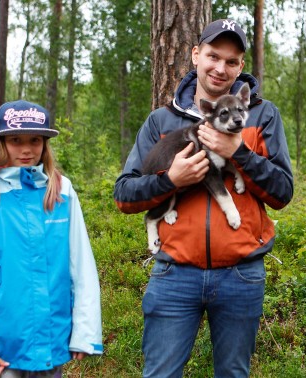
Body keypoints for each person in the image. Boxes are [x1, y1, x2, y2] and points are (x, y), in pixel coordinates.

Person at [114, 19, 293, 377]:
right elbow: (124, 195)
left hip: (241, 274)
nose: (220, 67)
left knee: (233, 373)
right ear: (196, 55)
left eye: (231, 61)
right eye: (213, 56)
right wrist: (172, 180)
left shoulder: (263, 115)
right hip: (174, 273)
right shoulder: (160, 121)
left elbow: (282, 193)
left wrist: (238, 152)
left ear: (241, 66)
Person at [0, 100, 103, 378]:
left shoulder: (61, 190)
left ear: (44, 143)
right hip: (1, 343)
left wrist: (85, 331)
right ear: (1, 142)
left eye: (35, 140)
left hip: (51, 335)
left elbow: (81, 264)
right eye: (16, 140)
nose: (26, 149)